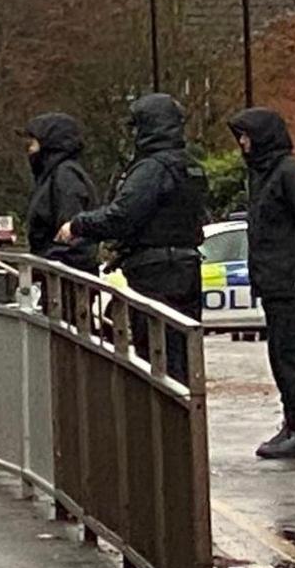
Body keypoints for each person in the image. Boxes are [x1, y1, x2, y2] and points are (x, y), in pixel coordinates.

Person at [59, 93, 209, 377]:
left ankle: (164, 418)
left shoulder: (152, 169)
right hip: (186, 266)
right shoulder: (190, 167)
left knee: (156, 352)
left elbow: (123, 215)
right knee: (181, 350)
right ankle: (182, 416)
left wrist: (78, 225)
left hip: (155, 271)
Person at [229, 107, 295, 461]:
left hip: (292, 282)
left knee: (294, 356)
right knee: (281, 355)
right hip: (277, 281)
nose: (242, 144)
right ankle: (291, 423)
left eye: (246, 136)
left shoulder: (288, 175)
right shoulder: (266, 177)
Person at [21, 113, 100, 273]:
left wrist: (46, 264)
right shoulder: (54, 176)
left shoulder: (65, 177)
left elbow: (74, 238)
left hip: (65, 279)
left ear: (49, 144)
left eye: (33, 144)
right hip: (56, 274)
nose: (29, 150)